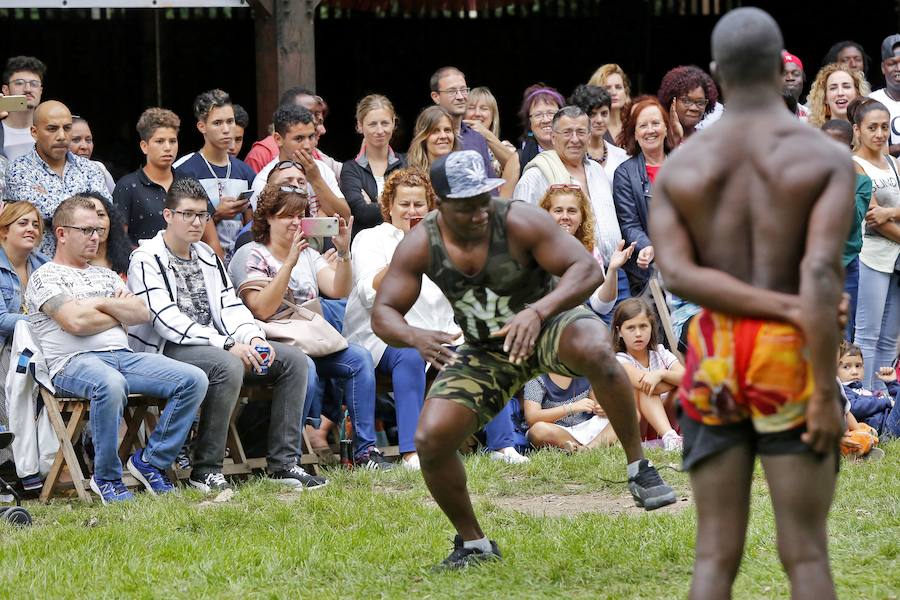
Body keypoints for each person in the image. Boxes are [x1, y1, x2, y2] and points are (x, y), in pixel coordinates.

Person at [372, 150, 676, 569]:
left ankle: (638, 467)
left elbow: (584, 270)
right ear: (441, 204)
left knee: (595, 345)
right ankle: (474, 544)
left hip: (547, 323)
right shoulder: (422, 242)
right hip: (486, 349)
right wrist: (414, 337)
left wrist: (537, 311)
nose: (479, 212)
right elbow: (383, 311)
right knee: (431, 439)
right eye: (466, 205)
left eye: (484, 198)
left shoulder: (517, 219)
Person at [651, 8, 852, 598]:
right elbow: (817, 272)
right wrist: (820, 388)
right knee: (807, 555)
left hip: (715, 355)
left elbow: (680, 275)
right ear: (778, 65)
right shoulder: (821, 158)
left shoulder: (684, 165)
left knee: (713, 557)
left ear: (716, 74)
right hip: (792, 355)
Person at [127, 178, 321, 492]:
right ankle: (206, 468)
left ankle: (284, 464)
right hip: (166, 350)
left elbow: (230, 306)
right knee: (226, 365)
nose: (195, 222)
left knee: (293, 361)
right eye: (187, 214)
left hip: (216, 344)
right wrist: (228, 344)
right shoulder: (146, 258)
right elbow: (165, 321)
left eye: (202, 215)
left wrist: (254, 338)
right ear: (168, 216)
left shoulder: (206, 254)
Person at [26, 195, 208, 504]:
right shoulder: (45, 276)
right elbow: (74, 321)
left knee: (194, 379)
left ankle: (150, 462)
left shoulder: (106, 274)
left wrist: (95, 303)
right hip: (71, 364)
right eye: (87, 230)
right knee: (110, 384)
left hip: (123, 357)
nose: (96, 237)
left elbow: (140, 313)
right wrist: (114, 311)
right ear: (61, 233)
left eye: (98, 229)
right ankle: (106, 477)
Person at [233, 184, 390, 469]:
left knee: (359, 358)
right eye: (286, 216)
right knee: (303, 365)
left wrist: (344, 254)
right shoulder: (252, 254)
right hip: (273, 342)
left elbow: (338, 288)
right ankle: (287, 460)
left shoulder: (308, 254)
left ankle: (365, 452)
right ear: (267, 217)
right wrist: (288, 263)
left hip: (309, 338)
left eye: (300, 216)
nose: (294, 222)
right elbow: (262, 309)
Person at [513, 106, 624, 275]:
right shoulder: (535, 176)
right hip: (567, 276)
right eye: (567, 132)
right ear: (553, 137)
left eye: (580, 132)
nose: (574, 139)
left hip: (614, 273)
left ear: (588, 136)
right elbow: (521, 236)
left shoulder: (597, 169)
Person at [5, 100, 110, 256]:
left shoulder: (89, 168)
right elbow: (37, 213)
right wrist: (84, 206)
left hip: (88, 265)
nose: (61, 136)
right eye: (52, 129)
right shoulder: (18, 169)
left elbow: (103, 212)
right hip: (39, 267)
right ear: (34, 132)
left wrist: (51, 199)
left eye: (67, 128)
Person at [113, 108, 221, 253]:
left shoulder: (189, 181)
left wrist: (217, 271)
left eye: (172, 141)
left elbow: (211, 239)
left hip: (189, 266)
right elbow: (119, 243)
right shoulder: (127, 186)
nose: (168, 147)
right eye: (159, 141)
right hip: (144, 267)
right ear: (144, 146)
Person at [848, 97, 900, 388]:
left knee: (890, 338)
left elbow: (884, 214)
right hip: (871, 257)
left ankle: (883, 405)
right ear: (857, 130)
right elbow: (871, 218)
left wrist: (891, 211)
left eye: (884, 127)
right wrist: (887, 216)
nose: (880, 134)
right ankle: (864, 400)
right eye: (872, 128)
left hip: (896, 259)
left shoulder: (893, 161)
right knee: (867, 335)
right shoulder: (854, 165)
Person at [173, 89, 255, 259]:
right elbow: (182, 227)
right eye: (217, 123)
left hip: (244, 259)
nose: (226, 129)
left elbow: (253, 225)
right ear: (202, 126)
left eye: (230, 121)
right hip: (200, 258)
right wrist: (216, 214)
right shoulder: (186, 170)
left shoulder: (245, 171)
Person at [537, 183, 634, 318]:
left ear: (582, 216)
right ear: (546, 214)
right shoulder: (534, 248)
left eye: (572, 211)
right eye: (558, 210)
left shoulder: (589, 249)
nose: (565, 216)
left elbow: (601, 307)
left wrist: (612, 270)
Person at [0, 202, 48, 472]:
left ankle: (48, 460)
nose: (31, 229)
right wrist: (40, 320)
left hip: (38, 345)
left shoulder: (44, 265)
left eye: (35, 224)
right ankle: (13, 462)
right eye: (22, 223)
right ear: (4, 231)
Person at [612, 96, 671, 296]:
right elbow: (629, 225)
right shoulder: (625, 173)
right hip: (651, 274)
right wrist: (648, 247)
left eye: (655, 123)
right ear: (635, 134)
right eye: (643, 125)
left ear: (666, 128)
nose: (650, 130)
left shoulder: (685, 163)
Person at [820, 118, 873, 341]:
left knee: (844, 330)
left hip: (846, 264)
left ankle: (844, 376)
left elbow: (851, 222)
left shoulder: (861, 182)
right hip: (813, 263)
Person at [250, 104, 348, 220]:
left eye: (311, 137)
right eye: (299, 139)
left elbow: (345, 217)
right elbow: (270, 228)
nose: (307, 146)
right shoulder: (265, 180)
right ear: (278, 139)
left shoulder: (322, 169)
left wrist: (316, 179)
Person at [612, 299, 684, 451]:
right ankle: (670, 438)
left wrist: (661, 373)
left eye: (643, 326)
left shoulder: (660, 351)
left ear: (651, 327)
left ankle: (676, 437)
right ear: (619, 332)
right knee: (645, 388)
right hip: (639, 428)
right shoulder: (620, 360)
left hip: (665, 419)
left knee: (681, 390)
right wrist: (673, 379)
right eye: (630, 328)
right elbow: (650, 386)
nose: (638, 333)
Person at [339, 94, 406, 237]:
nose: (380, 130)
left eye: (385, 123)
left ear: (394, 123)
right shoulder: (351, 168)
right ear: (359, 126)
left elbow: (414, 207)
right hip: (366, 244)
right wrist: (397, 205)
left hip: (404, 242)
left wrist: (374, 204)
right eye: (372, 124)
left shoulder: (407, 162)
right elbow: (361, 213)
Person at [522, 373, 617, 452]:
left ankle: (587, 448)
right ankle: (595, 444)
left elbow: (597, 403)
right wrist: (570, 408)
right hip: (559, 431)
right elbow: (532, 418)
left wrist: (603, 409)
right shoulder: (537, 379)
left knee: (620, 417)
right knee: (538, 431)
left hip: (588, 426)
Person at [429, 67, 494, 177]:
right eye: (452, 91)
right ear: (436, 97)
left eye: (463, 90)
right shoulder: (429, 136)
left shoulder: (477, 137)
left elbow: (489, 185)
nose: (460, 97)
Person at [503, 84, 566, 195]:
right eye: (538, 115)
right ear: (529, 122)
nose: (546, 120)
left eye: (551, 113)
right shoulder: (518, 160)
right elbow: (503, 206)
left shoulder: (575, 153)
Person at [837, 341, 900, 440]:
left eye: (858, 366)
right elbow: (854, 407)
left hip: (891, 421)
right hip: (885, 430)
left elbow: (895, 401)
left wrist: (892, 383)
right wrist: (886, 401)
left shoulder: (864, 391)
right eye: (846, 367)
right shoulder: (843, 391)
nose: (854, 372)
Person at [567, 84, 629, 183]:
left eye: (604, 113)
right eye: (592, 114)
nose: (599, 120)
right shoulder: (569, 156)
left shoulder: (622, 157)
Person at [657, 65, 718, 147]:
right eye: (686, 101)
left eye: (700, 102)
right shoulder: (657, 140)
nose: (694, 108)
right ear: (672, 101)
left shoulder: (709, 142)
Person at [463, 87, 515, 177]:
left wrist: (486, 134)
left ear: (493, 116)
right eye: (471, 108)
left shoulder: (505, 146)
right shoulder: (454, 142)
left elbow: (516, 167)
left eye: (484, 109)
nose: (477, 113)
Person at [1, 56, 45, 161]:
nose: (28, 89)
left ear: (40, 90)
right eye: (19, 83)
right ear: (6, 90)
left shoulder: (50, 132)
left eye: (34, 84)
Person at [81, 192, 131, 278]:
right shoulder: (68, 269)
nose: (96, 222)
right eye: (88, 216)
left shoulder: (133, 259)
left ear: (111, 219)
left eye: (100, 215)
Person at [807, 62, 869, 128]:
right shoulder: (813, 134)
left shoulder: (870, 133)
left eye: (846, 87)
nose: (840, 93)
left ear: (857, 93)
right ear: (825, 98)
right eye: (833, 88)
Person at [867, 34, 900, 157]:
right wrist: (896, 149)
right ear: (883, 67)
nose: (899, 68)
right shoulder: (871, 102)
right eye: (892, 63)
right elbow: (865, 153)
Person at [406, 106, 460, 173]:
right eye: (435, 131)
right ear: (423, 137)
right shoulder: (410, 177)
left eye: (447, 130)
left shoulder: (465, 173)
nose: (443, 136)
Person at [69, 116, 115, 193]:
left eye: (88, 140)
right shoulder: (47, 174)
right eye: (76, 140)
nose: (85, 146)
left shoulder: (99, 168)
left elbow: (116, 201)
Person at [588, 64, 631, 144]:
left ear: (625, 91)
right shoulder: (589, 126)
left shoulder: (633, 123)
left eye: (618, 87)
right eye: (607, 88)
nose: (614, 93)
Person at [782, 50, 810, 120]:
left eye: (796, 74)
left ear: (803, 79)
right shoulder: (761, 114)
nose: (790, 78)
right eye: (783, 74)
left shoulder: (812, 117)